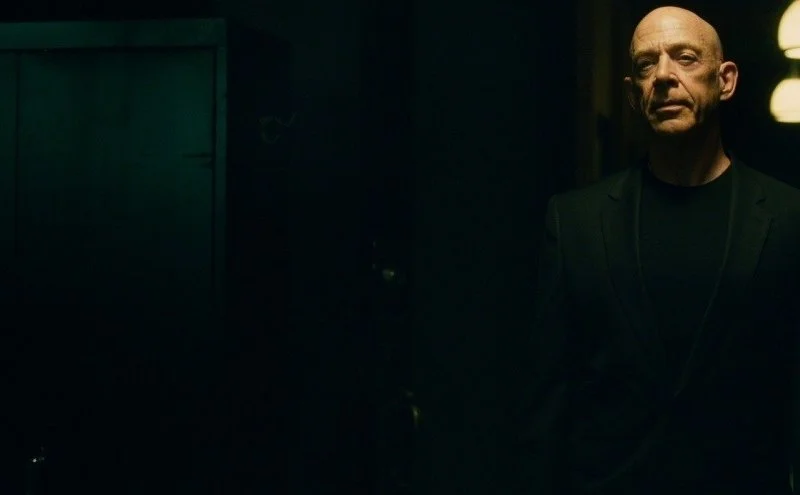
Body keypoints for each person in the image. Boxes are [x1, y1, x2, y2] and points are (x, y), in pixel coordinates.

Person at [513, 6, 800, 495]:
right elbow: (549, 400)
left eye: (685, 58)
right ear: (632, 93)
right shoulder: (576, 223)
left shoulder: (788, 217)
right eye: (647, 64)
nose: (664, 75)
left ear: (725, 80)